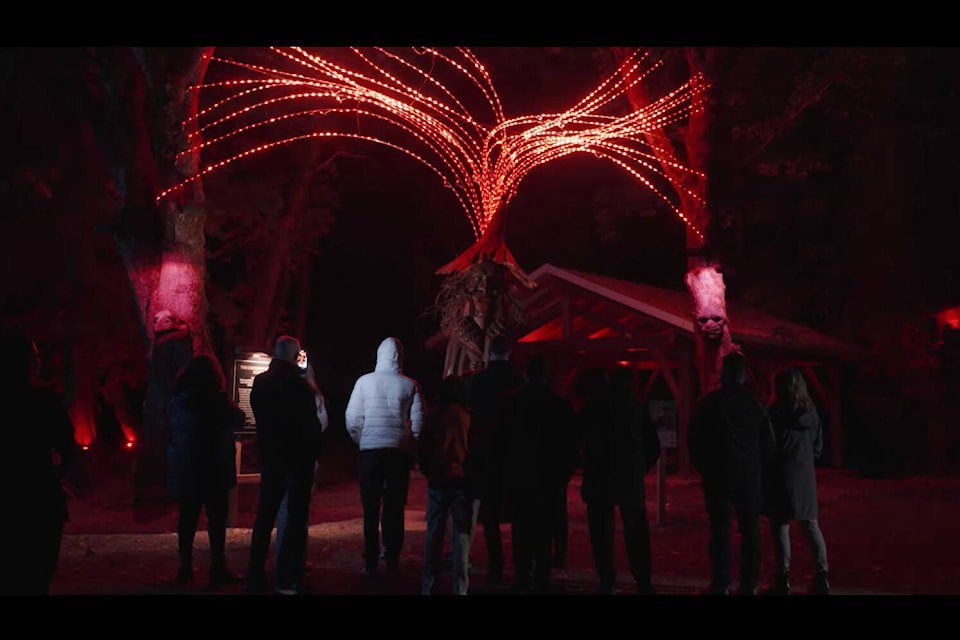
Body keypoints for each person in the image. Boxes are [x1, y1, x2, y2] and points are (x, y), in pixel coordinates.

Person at [688, 352, 775, 595]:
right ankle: (749, 584)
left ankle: (721, 582)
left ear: (723, 373)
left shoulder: (709, 403)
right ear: (743, 375)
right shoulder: (754, 405)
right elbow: (768, 444)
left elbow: (694, 439)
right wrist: (757, 467)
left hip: (717, 476)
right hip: (748, 476)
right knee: (750, 532)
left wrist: (704, 468)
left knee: (720, 530)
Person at [245, 336, 324, 595]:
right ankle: (288, 577)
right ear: (294, 355)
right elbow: (312, 427)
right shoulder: (300, 388)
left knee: (265, 516)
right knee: (295, 517)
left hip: (270, 456)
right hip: (297, 459)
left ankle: (255, 575)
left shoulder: (261, 382)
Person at [0, 330, 76, 594]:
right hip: (40, 504)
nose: (39, 362)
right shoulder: (44, 402)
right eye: (34, 357)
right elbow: (68, 445)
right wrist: (55, 469)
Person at [345, 336, 425, 576]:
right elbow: (419, 424)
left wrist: (362, 441)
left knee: (370, 508)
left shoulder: (364, 382)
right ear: (400, 357)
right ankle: (392, 556)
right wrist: (410, 444)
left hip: (371, 453)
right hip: (398, 454)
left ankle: (370, 561)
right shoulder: (410, 385)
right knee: (395, 506)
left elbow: (352, 420)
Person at [578, 366, 660, 595]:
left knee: (601, 534)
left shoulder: (594, 406)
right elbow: (653, 446)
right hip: (629, 480)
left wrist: (585, 465)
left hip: (599, 479)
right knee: (636, 533)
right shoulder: (636, 408)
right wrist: (641, 468)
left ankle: (606, 580)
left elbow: (575, 435)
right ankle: (643, 581)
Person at [165, 354, 244, 586]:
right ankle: (217, 569)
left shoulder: (177, 400)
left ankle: (185, 568)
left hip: (187, 467)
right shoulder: (217, 399)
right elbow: (238, 419)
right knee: (217, 521)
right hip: (214, 468)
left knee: (187, 520)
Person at [503, 355, 577, 593]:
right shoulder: (559, 406)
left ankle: (523, 574)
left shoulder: (512, 403)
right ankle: (542, 576)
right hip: (548, 477)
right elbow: (570, 445)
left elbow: (501, 441)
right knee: (544, 529)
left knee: (521, 527)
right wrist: (563, 475)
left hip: (520, 476)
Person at [761, 367, 830, 595]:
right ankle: (822, 576)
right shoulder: (812, 416)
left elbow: (766, 447)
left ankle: (782, 579)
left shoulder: (772, 414)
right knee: (811, 526)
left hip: (779, 476)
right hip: (804, 478)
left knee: (780, 528)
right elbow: (818, 450)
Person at [463, 335, 521, 585]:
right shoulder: (517, 380)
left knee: (489, 512)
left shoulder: (479, 381)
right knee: (518, 510)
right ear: (508, 353)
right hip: (513, 453)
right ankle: (521, 562)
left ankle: (495, 561)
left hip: (485, 452)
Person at [136, 310, 193, 522]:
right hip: (166, 402)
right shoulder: (171, 340)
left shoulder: (167, 342)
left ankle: (166, 497)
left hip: (163, 402)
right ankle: (167, 496)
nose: (156, 323)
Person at [418, 375, 473, 595]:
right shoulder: (468, 417)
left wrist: (428, 471)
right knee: (461, 537)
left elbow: (422, 449)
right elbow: (475, 451)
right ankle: (460, 588)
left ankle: (428, 586)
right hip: (461, 481)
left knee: (434, 535)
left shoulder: (433, 417)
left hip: (438, 481)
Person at [275, 361, 329, 574]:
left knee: (285, 508)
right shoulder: (311, 394)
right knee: (298, 509)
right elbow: (322, 424)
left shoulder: (279, 390)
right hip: (304, 459)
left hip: (283, 456)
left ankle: (287, 557)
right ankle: (294, 559)